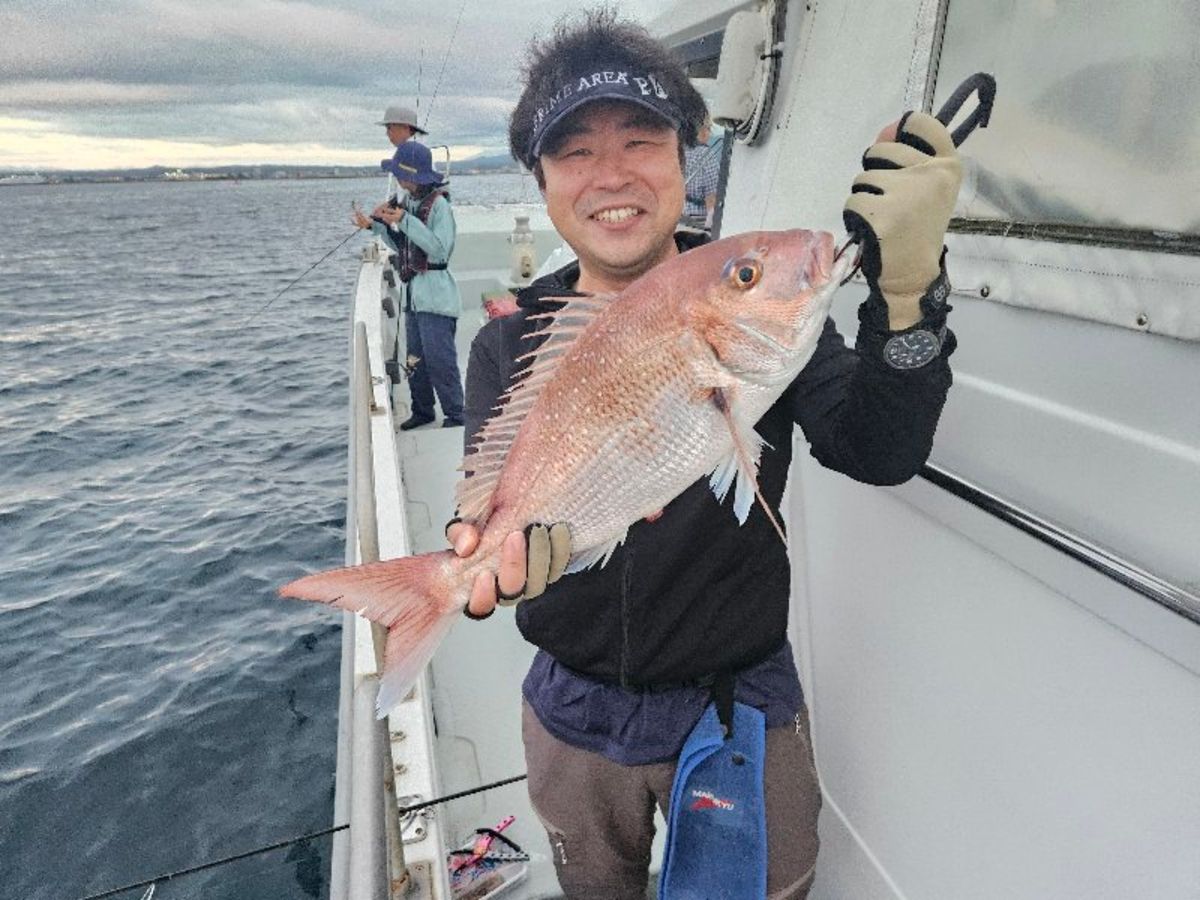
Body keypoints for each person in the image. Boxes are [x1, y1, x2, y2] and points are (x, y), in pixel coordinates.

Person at [447, 9, 961, 897]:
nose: (611, 176)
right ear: (542, 182)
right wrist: (481, 556)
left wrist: (909, 302)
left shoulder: (753, 319)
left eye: (641, 141)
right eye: (574, 154)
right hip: (573, 709)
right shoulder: (510, 343)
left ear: (687, 158)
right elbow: (486, 503)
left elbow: (881, 449)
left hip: (740, 705)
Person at [354, 140, 465, 429]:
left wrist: (404, 220)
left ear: (416, 177)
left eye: (403, 175)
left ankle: (456, 413)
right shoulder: (410, 204)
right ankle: (423, 410)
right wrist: (374, 226)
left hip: (437, 298)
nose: (400, 181)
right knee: (414, 359)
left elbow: (438, 249)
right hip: (413, 296)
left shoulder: (440, 206)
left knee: (441, 360)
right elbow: (403, 245)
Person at [681, 113, 722, 230]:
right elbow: (712, 197)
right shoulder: (706, 155)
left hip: (676, 216)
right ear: (701, 131)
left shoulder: (676, 151)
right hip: (697, 222)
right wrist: (710, 228)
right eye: (708, 128)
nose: (709, 133)